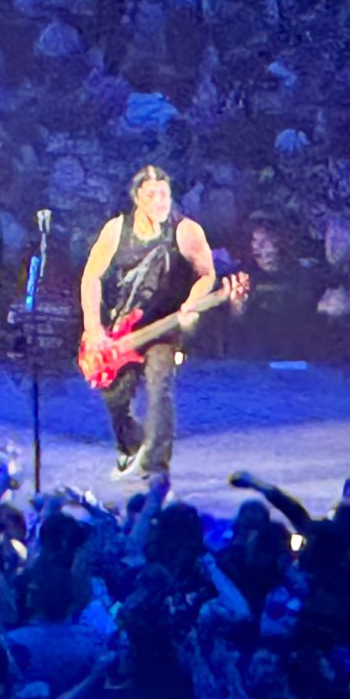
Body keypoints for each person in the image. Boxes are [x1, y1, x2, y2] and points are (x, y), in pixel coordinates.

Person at [79, 165, 218, 481]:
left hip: (164, 328)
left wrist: (191, 303)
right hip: (124, 326)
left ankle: (155, 467)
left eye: (165, 195)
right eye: (152, 195)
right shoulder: (117, 229)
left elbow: (207, 274)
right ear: (137, 198)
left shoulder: (185, 230)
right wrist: (93, 327)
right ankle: (132, 444)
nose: (160, 201)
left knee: (159, 387)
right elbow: (91, 276)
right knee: (113, 392)